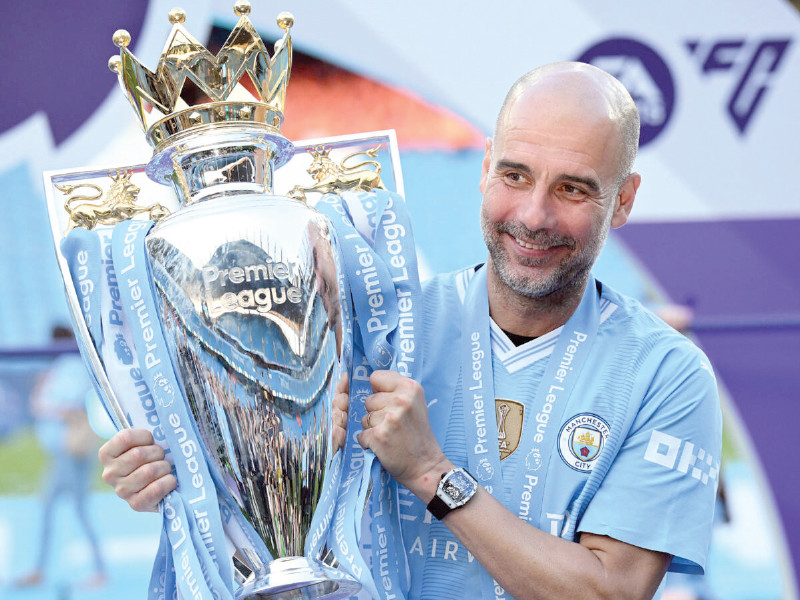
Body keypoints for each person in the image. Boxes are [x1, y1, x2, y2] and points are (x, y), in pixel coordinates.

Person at [98, 62, 721, 599]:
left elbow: (611, 590)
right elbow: (284, 527)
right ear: (484, 170)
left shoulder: (666, 373)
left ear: (625, 198)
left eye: (574, 189)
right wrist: (186, 476)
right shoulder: (375, 327)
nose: (534, 215)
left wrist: (428, 471)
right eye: (515, 175)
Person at [14, 326, 107, 589]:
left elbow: (67, 405)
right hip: (63, 452)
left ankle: (95, 571)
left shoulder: (71, 366)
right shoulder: (62, 368)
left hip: (71, 452)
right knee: (58, 508)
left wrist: (46, 405)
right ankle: (40, 569)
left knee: (71, 509)